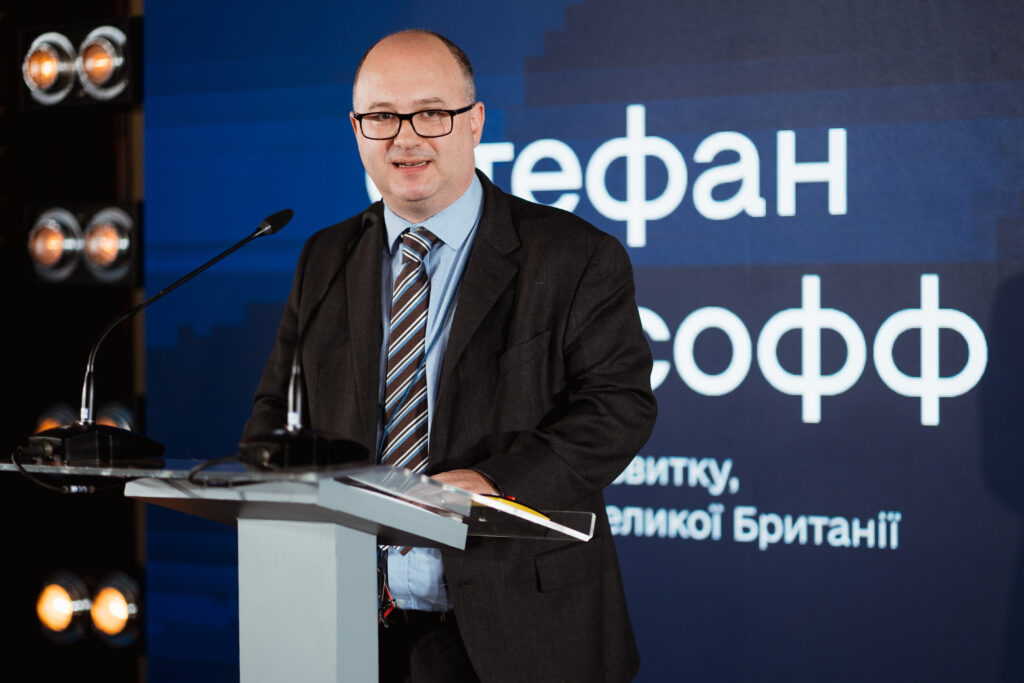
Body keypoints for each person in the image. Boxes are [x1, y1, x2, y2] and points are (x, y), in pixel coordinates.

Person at [244, 29, 656, 682]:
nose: (405, 139)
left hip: (519, 626)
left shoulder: (574, 255)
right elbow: (276, 407)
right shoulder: (325, 256)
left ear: (475, 122)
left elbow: (619, 407)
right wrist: (272, 469)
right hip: (349, 623)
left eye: (431, 113)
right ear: (356, 128)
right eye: (383, 116)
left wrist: (495, 484)